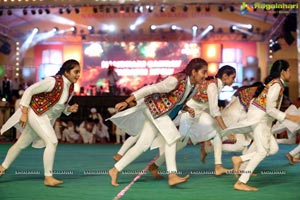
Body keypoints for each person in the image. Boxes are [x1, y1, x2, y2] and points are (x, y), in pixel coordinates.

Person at [108, 58, 208, 187]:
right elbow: (150, 89)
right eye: (203, 72)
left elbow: (178, 101)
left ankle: (115, 169)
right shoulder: (175, 80)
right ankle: (172, 175)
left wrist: (187, 108)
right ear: (194, 72)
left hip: (159, 112)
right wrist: (127, 101)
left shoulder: (194, 86)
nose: (205, 76)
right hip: (153, 109)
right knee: (172, 137)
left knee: (142, 145)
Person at [0, 59, 80, 186]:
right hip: (36, 113)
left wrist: (69, 109)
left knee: (21, 144)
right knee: (52, 141)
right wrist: (25, 113)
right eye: (76, 72)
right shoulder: (53, 81)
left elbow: (58, 106)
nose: (78, 75)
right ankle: (48, 177)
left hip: (44, 117)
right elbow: (29, 91)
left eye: (79, 72)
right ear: (66, 72)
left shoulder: (70, 87)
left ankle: (1, 169)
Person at [228, 59, 300, 191]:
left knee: (273, 149)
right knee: (261, 152)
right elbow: (270, 109)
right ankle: (241, 182)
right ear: (283, 72)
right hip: (260, 119)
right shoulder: (277, 85)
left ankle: (240, 159)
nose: (291, 73)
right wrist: (290, 117)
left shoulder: (277, 84)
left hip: (262, 119)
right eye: (289, 70)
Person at [179, 65, 237, 176]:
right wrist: (227, 132)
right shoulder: (213, 86)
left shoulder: (215, 85)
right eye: (233, 77)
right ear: (225, 76)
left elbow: (210, 109)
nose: (234, 80)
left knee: (216, 133)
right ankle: (155, 165)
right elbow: (215, 111)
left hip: (197, 113)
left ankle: (218, 166)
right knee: (179, 143)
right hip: (188, 113)